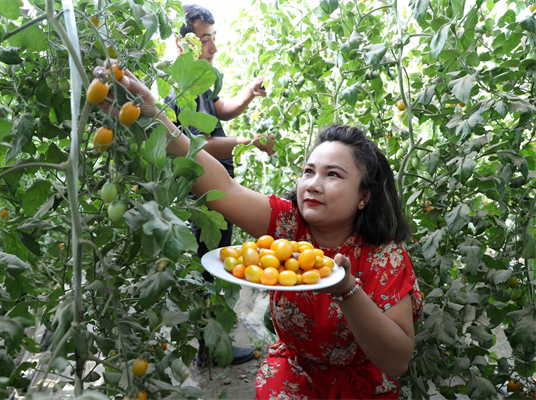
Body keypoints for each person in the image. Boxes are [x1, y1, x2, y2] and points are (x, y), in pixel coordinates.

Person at [94, 66, 424, 398]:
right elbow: (225, 187)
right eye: (308, 171)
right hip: (292, 378)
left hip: (359, 388)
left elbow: (396, 362)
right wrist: (156, 115)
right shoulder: (288, 224)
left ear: (365, 195)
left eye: (333, 175)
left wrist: (348, 291)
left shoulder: (386, 258)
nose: (313, 184)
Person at [164, 4, 275, 367]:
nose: (213, 48)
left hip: (215, 185)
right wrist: (250, 141)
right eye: (204, 40)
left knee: (213, 260)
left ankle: (212, 346)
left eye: (213, 38)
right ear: (183, 44)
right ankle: (210, 350)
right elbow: (197, 145)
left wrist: (246, 94)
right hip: (204, 190)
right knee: (208, 265)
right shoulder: (179, 86)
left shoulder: (199, 82)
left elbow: (219, 111)